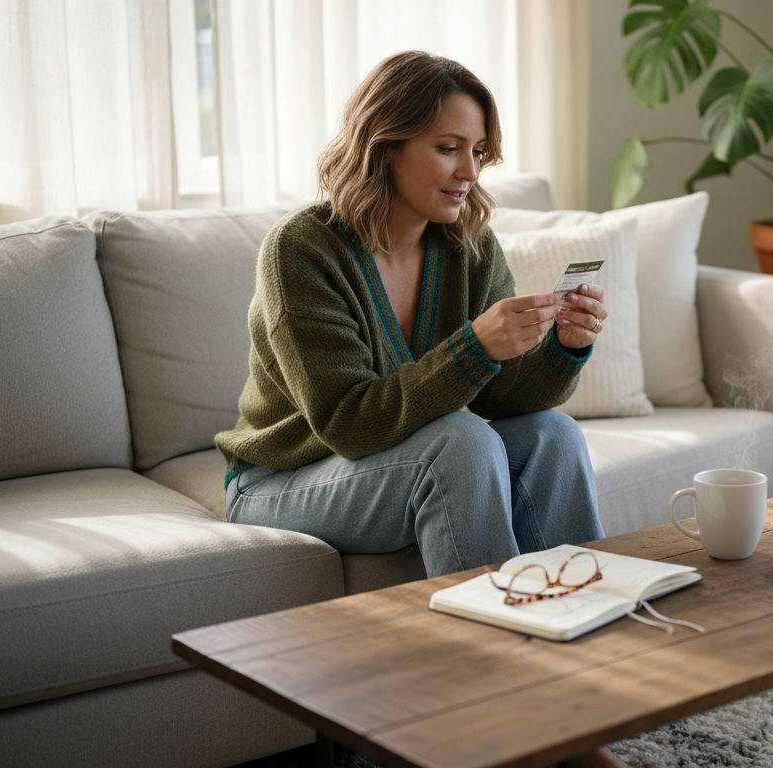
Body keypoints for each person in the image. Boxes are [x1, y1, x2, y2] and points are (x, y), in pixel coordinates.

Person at [215, 50, 609, 580]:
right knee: (461, 442)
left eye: (478, 152)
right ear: (386, 146)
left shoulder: (469, 246)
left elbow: (502, 399)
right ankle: (495, 646)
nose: (469, 172)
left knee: (552, 436)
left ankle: (587, 619)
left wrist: (563, 348)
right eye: (449, 149)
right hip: (281, 479)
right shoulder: (301, 250)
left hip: (389, 461)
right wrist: (475, 347)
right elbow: (349, 427)